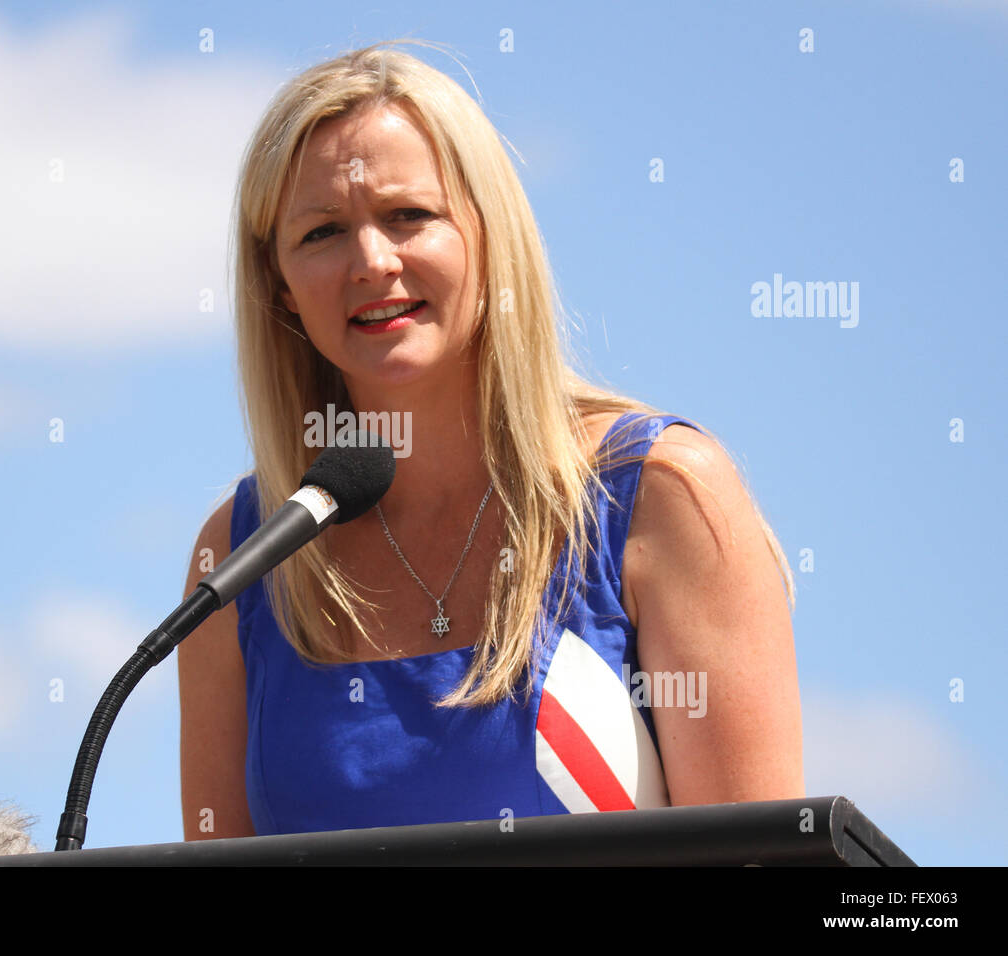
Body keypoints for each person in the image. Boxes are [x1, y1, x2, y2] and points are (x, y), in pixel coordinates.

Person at [179, 40, 803, 840]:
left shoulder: (658, 494)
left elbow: (763, 866)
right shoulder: (241, 555)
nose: (372, 261)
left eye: (410, 216)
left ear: (488, 232)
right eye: (323, 233)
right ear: (281, 287)